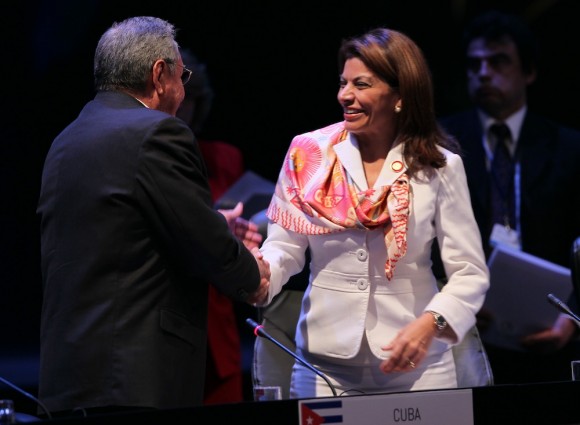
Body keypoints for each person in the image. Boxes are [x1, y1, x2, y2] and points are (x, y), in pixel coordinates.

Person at [36, 16, 270, 417]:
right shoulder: (159, 132)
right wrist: (253, 276)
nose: (183, 89)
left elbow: (123, 235)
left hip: (68, 380)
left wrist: (215, 225)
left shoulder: (65, 140)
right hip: (135, 382)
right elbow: (201, 242)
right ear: (160, 75)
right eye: (183, 76)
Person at [258, 27, 489, 398]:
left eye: (361, 84)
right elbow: (283, 248)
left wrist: (431, 322)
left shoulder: (440, 167)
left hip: (420, 371)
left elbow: (469, 272)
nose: (344, 95)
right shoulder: (308, 153)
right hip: (324, 371)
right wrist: (260, 273)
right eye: (343, 83)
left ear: (399, 96)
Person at [439, 10, 580, 384]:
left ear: (528, 72)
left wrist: (573, 317)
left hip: (552, 333)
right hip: (461, 333)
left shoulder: (568, 147)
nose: (484, 73)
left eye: (498, 61)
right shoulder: (439, 144)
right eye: (474, 65)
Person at [176, 48, 249, 404]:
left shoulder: (223, 158)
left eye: (188, 98)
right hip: (168, 322)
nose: (179, 107)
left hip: (217, 328)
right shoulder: (140, 155)